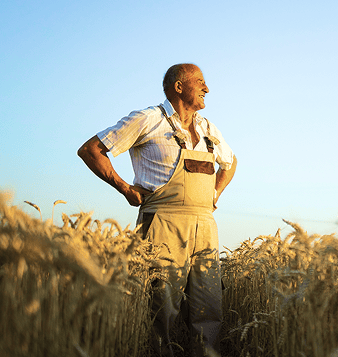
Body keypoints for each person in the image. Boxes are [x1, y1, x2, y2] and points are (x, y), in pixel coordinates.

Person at [77, 63, 237, 356]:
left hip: (206, 226)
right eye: (200, 81)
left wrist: (214, 194)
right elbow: (91, 150)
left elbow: (231, 162)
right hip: (162, 223)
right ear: (179, 87)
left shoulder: (208, 128)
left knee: (209, 309)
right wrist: (125, 188)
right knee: (160, 309)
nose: (207, 88)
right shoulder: (149, 119)